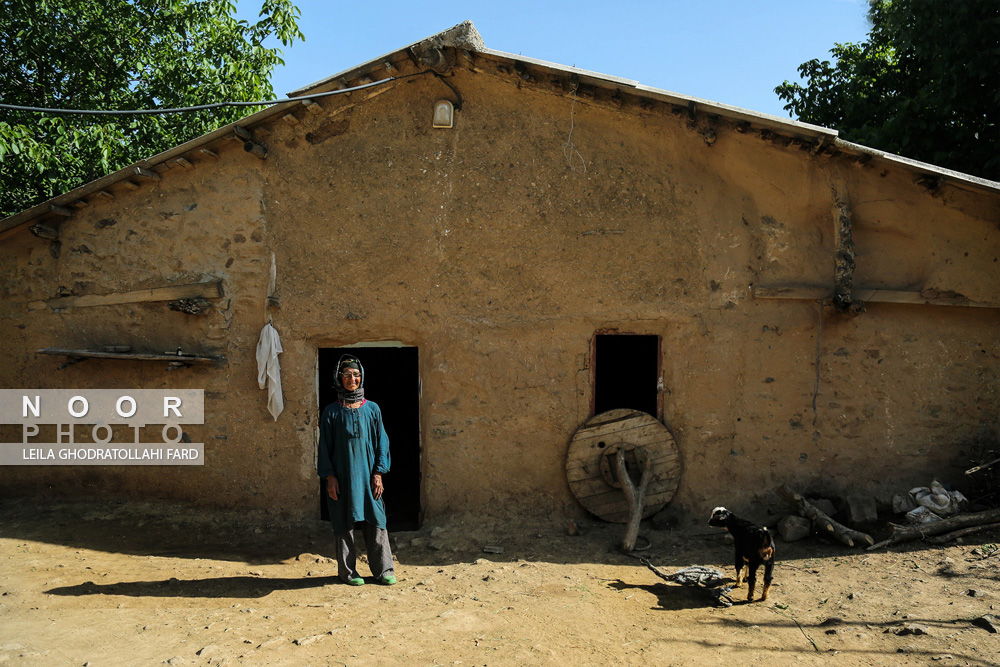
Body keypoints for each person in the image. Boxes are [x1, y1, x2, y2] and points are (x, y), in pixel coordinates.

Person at [317, 354, 396, 586]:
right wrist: (330, 477)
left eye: (356, 375)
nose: (352, 378)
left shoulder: (372, 409)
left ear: (361, 378)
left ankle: (384, 570)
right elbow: (324, 448)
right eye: (347, 375)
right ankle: (348, 573)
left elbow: (382, 442)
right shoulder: (331, 412)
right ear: (339, 378)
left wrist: (379, 473)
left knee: (377, 520)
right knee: (343, 523)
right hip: (343, 477)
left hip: (369, 477)